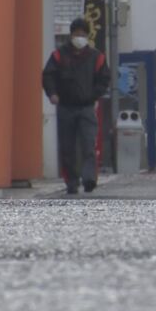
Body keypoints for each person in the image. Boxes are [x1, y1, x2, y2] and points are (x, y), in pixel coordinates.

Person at [42, 18, 110, 194]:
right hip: (65, 107)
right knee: (68, 147)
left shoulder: (97, 57)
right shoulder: (59, 55)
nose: (79, 37)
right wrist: (52, 93)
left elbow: (104, 79)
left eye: (83, 34)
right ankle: (71, 182)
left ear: (87, 36)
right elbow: (48, 75)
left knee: (89, 144)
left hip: (87, 107)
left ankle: (89, 179)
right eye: (76, 34)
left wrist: (94, 95)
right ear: (71, 35)